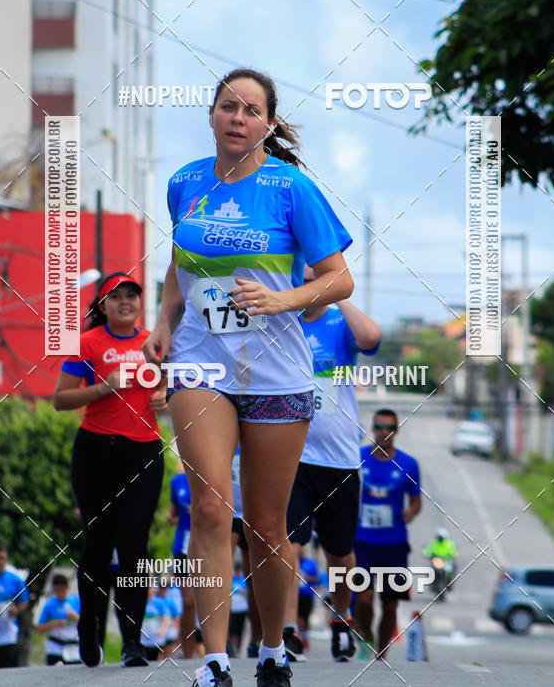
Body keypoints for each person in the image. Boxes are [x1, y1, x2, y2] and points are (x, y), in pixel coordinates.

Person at [143, 67, 354, 687]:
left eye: (251, 110)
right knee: (211, 507)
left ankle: (270, 649)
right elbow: (180, 262)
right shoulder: (184, 183)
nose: (238, 118)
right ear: (211, 114)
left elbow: (338, 279)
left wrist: (280, 300)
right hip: (200, 364)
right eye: (227, 106)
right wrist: (163, 320)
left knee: (266, 524)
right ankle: (213, 660)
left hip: (276, 371)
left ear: (268, 123)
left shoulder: (292, 188)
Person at [54, 272, 167, 667]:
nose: (126, 302)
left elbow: (173, 386)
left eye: (132, 295)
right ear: (102, 305)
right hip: (95, 452)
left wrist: (166, 395)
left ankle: (132, 642)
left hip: (143, 452)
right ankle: (90, 631)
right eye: (116, 296)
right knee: (98, 545)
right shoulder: (88, 343)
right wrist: (103, 387)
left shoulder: (154, 342)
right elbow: (61, 399)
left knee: (135, 547)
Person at [285, 267, 381, 662]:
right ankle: (288, 629)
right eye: (303, 278)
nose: (308, 286)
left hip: (339, 457)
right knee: (287, 543)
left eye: (316, 279)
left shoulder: (340, 323)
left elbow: (371, 338)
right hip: (291, 454)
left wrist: (337, 294)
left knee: (339, 553)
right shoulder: (284, 322)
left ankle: (341, 619)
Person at [354, 409, 422, 661]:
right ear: (373, 429)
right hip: (362, 542)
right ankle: (366, 637)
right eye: (380, 427)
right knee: (363, 599)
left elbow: (416, 501)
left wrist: (410, 512)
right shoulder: (357, 458)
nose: (384, 433)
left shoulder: (408, 464)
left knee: (390, 604)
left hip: (394, 544)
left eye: (389, 428)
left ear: (397, 431)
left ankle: (381, 654)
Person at [230, 444, 261, 657]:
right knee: (222, 575)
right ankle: (222, 641)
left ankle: (256, 640)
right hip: (229, 514)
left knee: (255, 580)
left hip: (253, 514)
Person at [168, 469, 203, 658]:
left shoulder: (208, 476)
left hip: (206, 545)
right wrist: (170, 517)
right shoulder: (177, 481)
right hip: (183, 546)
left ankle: (216, 649)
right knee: (188, 602)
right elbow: (173, 511)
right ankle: (188, 655)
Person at [36, 573, 81, 665]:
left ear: (67, 588)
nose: (60, 594)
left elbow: (87, 625)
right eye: (57, 591)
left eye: (62, 590)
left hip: (73, 648)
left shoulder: (76, 601)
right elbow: (39, 629)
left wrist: (75, 617)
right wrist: (55, 624)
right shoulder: (49, 604)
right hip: (55, 647)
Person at [140, 584, 171, 661]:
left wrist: (162, 630)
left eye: (150, 588)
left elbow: (166, 619)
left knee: (157, 658)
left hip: (157, 638)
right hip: (144, 638)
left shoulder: (159, 603)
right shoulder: (140, 602)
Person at [228, 563, 248, 656]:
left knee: (240, 630)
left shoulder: (243, 579)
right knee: (233, 631)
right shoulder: (231, 578)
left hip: (242, 609)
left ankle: (238, 649)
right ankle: (233, 649)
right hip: (233, 609)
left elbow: (247, 592)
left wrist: (241, 591)